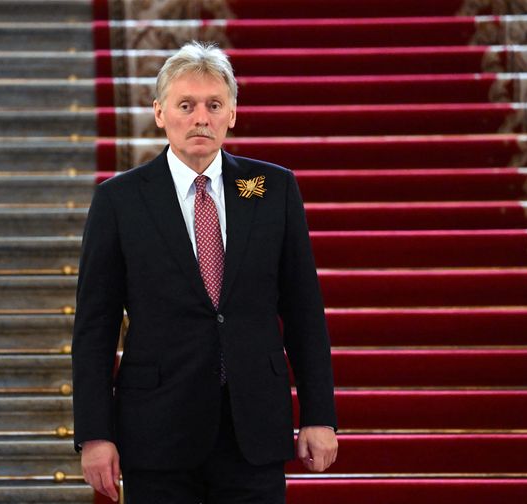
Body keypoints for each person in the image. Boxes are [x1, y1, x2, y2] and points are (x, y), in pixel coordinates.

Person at [71, 41, 338, 503]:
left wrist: (320, 415)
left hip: (253, 429)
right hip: (156, 432)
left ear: (232, 113)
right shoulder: (119, 200)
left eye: (214, 105)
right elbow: (95, 327)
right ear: (160, 113)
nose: (201, 118)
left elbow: (303, 312)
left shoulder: (273, 189)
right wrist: (95, 434)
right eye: (186, 105)